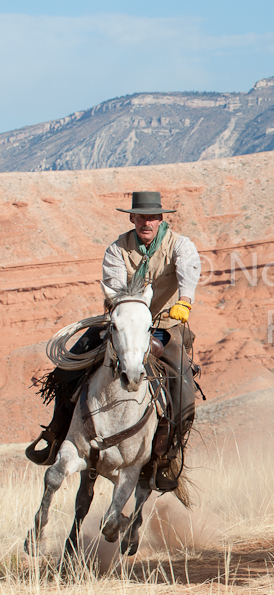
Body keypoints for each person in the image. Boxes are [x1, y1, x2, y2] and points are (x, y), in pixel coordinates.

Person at [26, 191, 201, 486]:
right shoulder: (117, 249)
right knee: (68, 367)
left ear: (161, 219)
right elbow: (116, 289)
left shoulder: (180, 245)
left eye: (152, 217)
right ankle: (57, 432)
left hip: (165, 326)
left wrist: (185, 300)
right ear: (132, 218)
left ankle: (166, 454)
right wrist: (128, 314)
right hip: (122, 322)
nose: (147, 222)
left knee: (184, 393)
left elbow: (188, 272)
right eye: (141, 216)